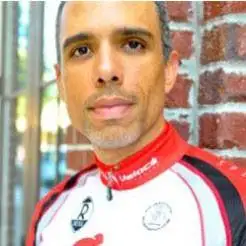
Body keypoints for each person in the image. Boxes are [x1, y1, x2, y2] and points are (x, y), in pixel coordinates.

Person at [26, 1, 246, 246]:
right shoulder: (49, 216)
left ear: (168, 71)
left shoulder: (234, 207)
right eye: (82, 50)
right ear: (61, 84)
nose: (106, 70)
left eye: (133, 44)